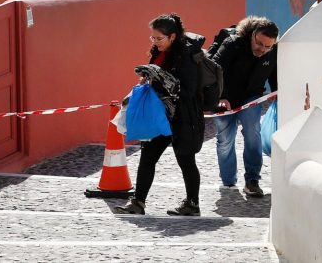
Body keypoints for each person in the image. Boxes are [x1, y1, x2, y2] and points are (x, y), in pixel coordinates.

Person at [115, 13, 205, 216]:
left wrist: (161, 77)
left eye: (159, 38)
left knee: (185, 160)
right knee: (147, 157)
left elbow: (189, 90)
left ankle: (192, 204)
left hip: (183, 116)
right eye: (152, 38)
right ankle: (138, 202)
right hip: (159, 114)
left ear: (172, 37)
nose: (155, 42)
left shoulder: (188, 56)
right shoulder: (158, 52)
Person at [211, 16, 278, 197]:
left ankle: (252, 180)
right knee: (225, 140)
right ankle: (228, 181)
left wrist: (278, 94)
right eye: (259, 44)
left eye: (268, 46)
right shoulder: (233, 43)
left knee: (253, 135)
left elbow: (275, 74)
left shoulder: (273, 51)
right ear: (253, 35)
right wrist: (221, 96)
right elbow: (214, 70)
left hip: (251, 98)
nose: (262, 49)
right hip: (224, 99)